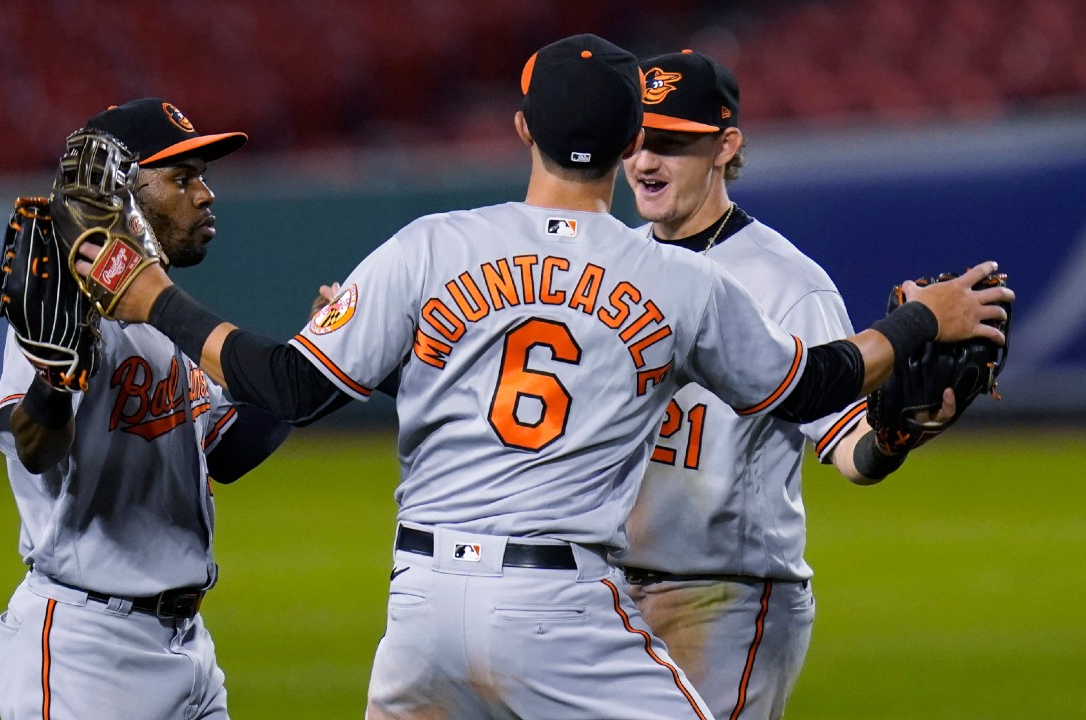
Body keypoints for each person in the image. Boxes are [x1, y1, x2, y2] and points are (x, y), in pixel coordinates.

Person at [75, 34, 1011, 720]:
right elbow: (817, 385)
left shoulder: (431, 246)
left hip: (422, 607)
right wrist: (921, 318)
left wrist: (148, 292)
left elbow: (282, 385)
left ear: (521, 125)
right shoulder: (680, 279)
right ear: (627, 137)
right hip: (565, 608)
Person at [613, 49, 952, 720]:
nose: (646, 162)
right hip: (604, 598)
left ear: (725, 146)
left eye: (672, 143)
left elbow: (851, 443)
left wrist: (892, 442)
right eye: (635, 141)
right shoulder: (612, 262)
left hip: (725, 599)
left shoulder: (785, 281)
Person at [0, 98, 291, 720]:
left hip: (186, 648)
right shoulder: (64, 313)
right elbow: (35, 447)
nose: (205, 194)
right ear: (119, 195)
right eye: (182, 179)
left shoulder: (160, 320)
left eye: (202, 177)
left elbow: (230, 449)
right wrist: (52, 378)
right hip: (86, 652)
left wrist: (321, 364)